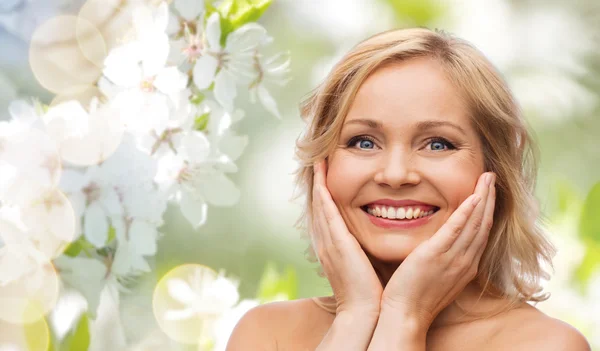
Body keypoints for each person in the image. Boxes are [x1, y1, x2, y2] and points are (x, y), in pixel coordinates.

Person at [225, 27, 592, 350]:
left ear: (493, 172)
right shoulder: (265, 335)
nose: (396, 174)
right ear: (321, 167)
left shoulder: (546, 345)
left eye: (437, 144)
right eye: (364, 142)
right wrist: (356, 316)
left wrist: (405, 317)